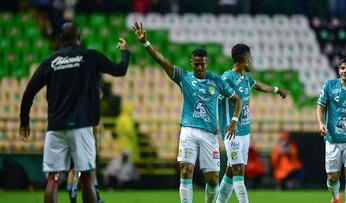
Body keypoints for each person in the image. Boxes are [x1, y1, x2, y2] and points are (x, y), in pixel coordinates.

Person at [19, 22, 130, 203]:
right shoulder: (90, 56)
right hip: (81, 126)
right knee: (86, 179)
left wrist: (24, 121)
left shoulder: (50, 62)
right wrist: (125, 53)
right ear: (79, 38)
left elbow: (29, 92)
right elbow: (120, 70)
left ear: (61, 39)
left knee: (52, 179)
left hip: (55, 127)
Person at [132, 21, 241, 203]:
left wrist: (235, 120)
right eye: (196, 64)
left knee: (213, 180)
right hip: (188, 130)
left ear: (207, 63)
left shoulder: (217, 81)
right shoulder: (184, 77)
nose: (199, 67)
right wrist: (145, 42)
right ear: (192, 62)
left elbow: (237, 99)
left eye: (202, 64)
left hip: (209, 134)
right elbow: (162, 60)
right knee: (185, 170)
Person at [216, 43, 288, 203]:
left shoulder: (246, 79)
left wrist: (277, 90)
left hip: (245, 131)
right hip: (232, 131)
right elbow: (218, 99)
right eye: (250, 58)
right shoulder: (226, 78)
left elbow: (259, 86)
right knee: (238, 170)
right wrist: (231, 121)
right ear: (244, 60)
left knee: (230, 170)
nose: (252, 61)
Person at [316, 57, 346, 203]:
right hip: (332, 139)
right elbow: (320, 106)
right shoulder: (329, 86)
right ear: (338, 70)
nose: (344, 71)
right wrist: (321, 123)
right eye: (342, 68)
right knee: (332, 177)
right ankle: (335, 198)